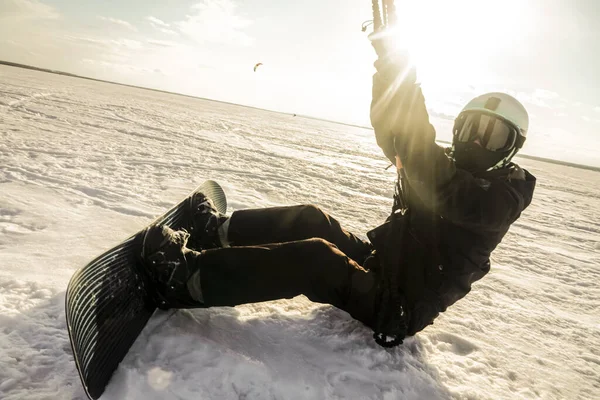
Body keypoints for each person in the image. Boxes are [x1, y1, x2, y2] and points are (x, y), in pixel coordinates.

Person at [139, 28, 536, 346]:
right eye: (470, 128)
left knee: (318, 259)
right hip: (382, 263)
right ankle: (217, 232)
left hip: (398, 306)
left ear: (511, 147)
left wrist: (406, 70)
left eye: (492, 135)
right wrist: (388, 69)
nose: (476, 142)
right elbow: (396, 136)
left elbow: (434, 175)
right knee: (311, 219)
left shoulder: (501, 198)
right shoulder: (445, 166)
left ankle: (185, 279)